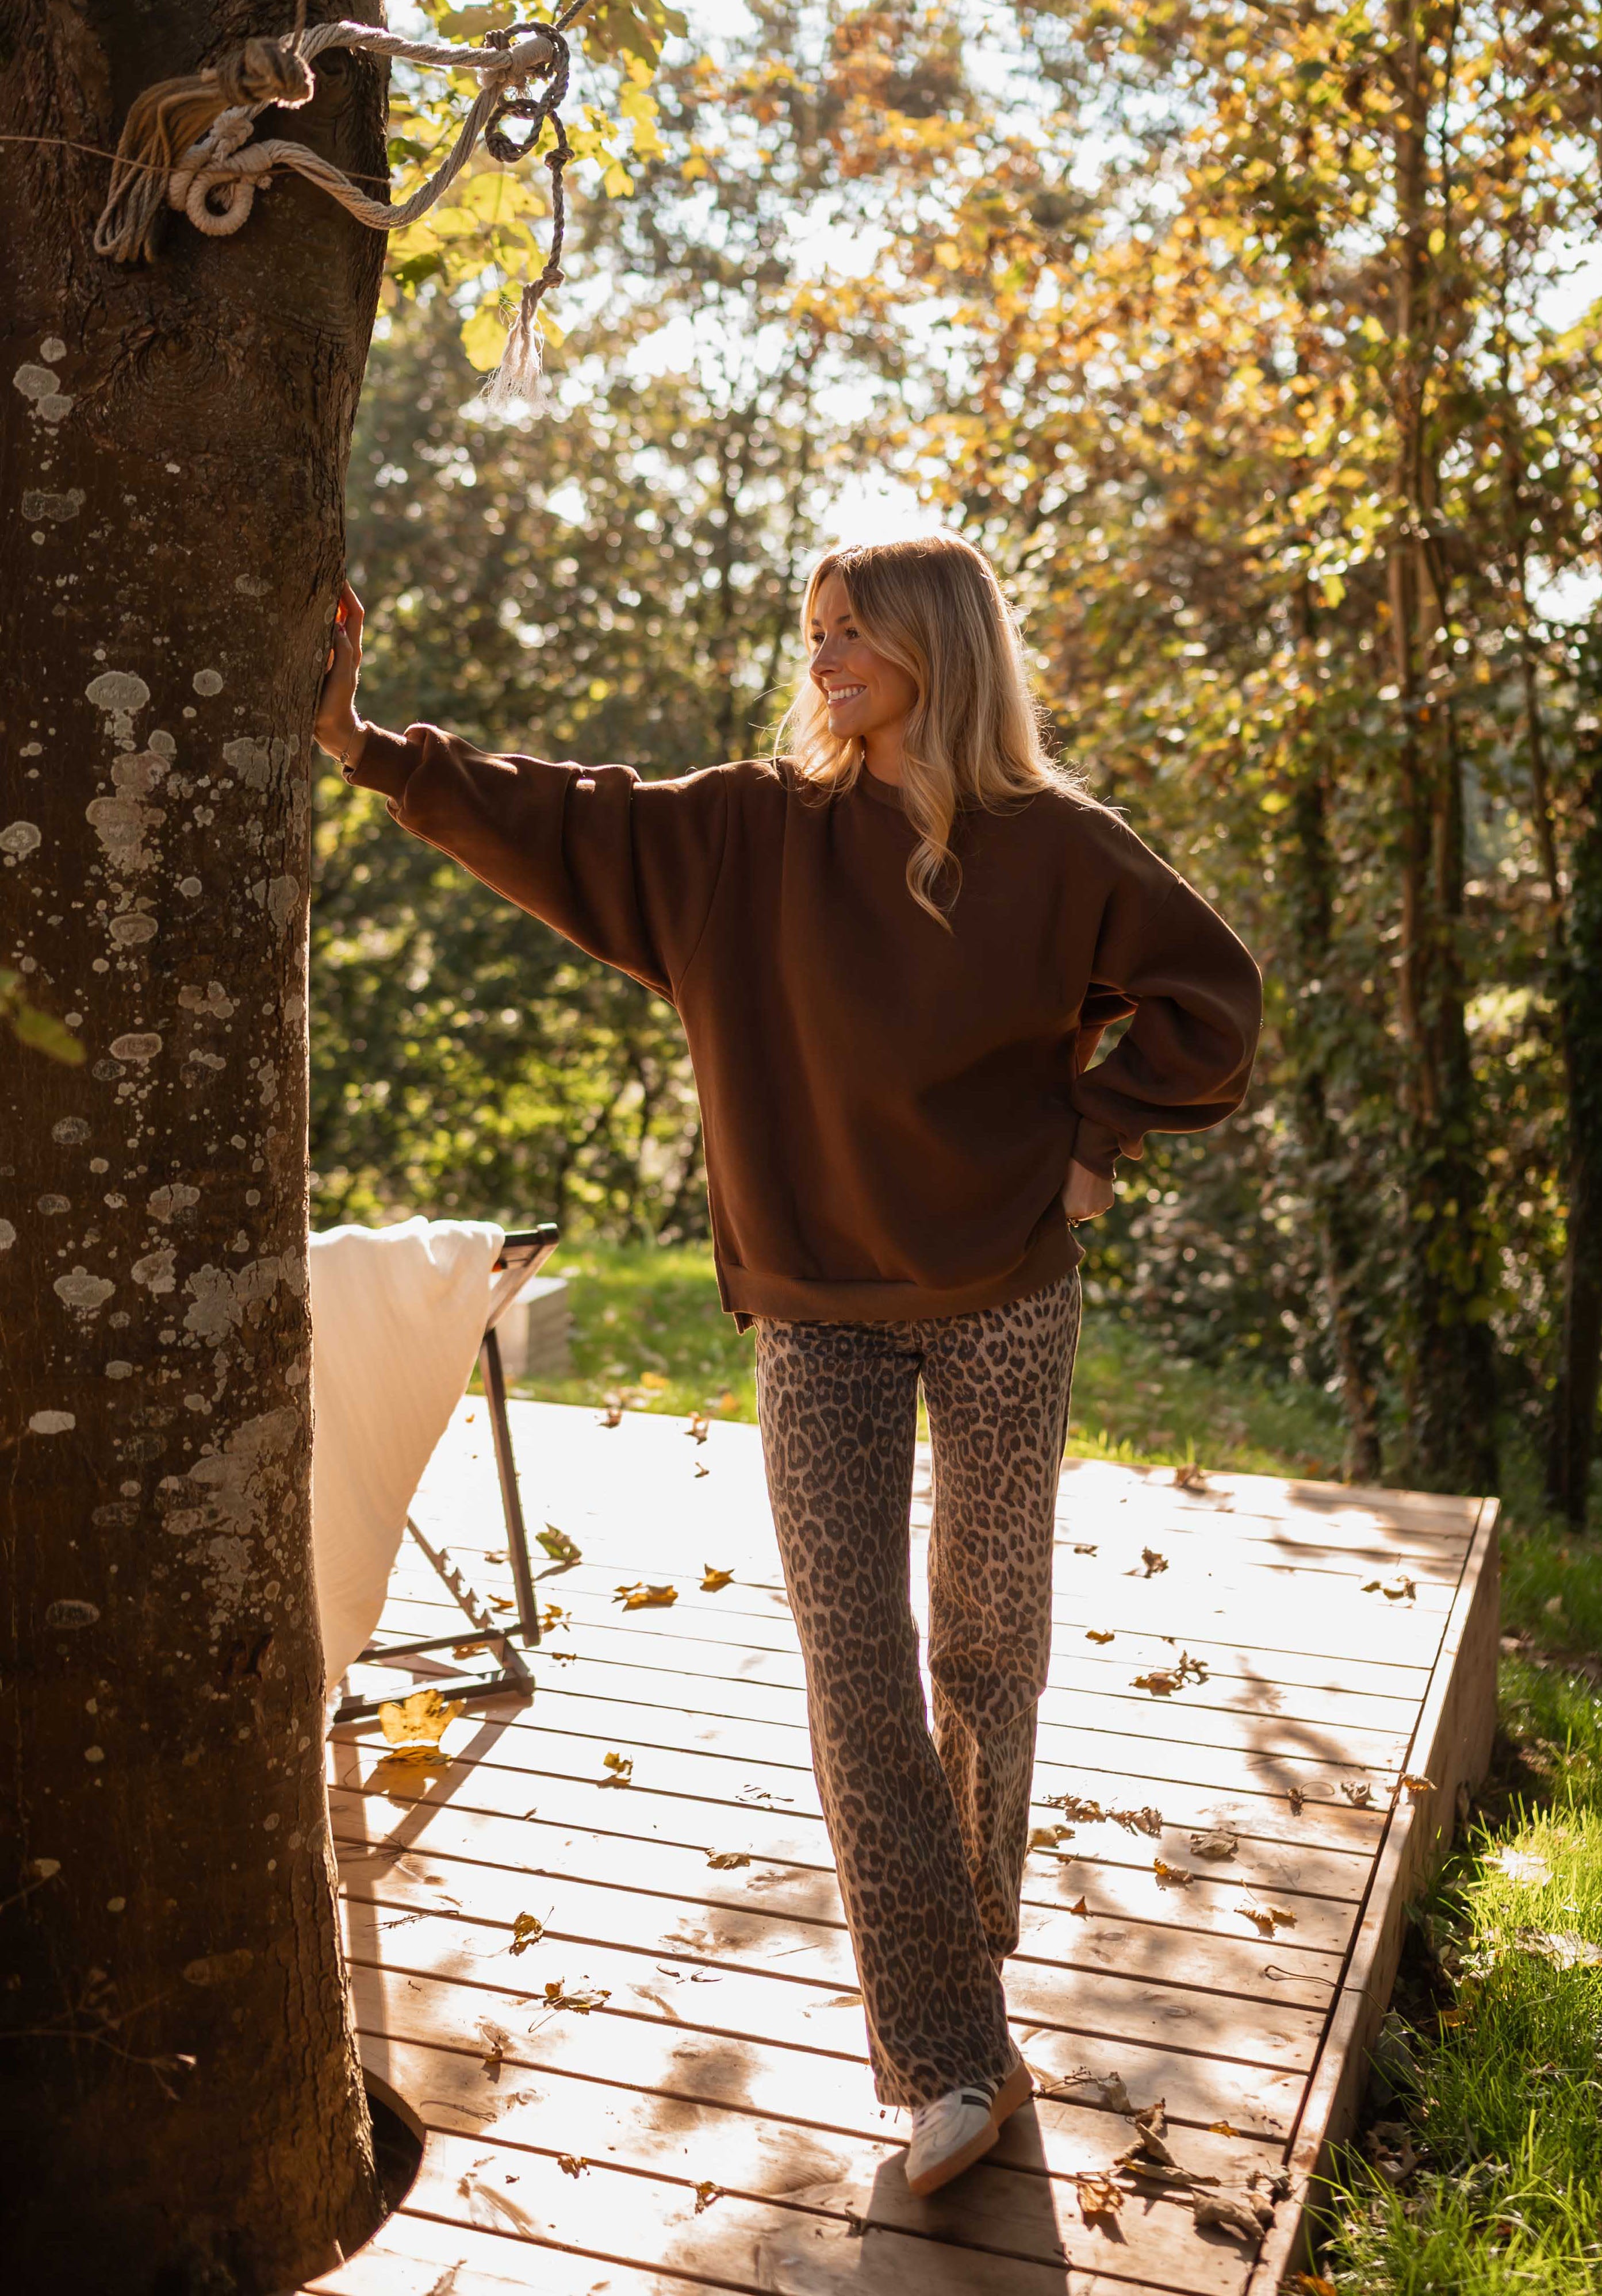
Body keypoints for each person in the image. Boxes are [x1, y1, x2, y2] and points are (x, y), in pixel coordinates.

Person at [314, 532, 1261, 2197]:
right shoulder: (753, 830)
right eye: (814, 632)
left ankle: (960, 1942)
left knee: (988, 1640)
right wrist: (364, 746)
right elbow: (570, 815)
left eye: (852, 635)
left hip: (1001, 1288)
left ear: (937, 651)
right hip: (815, 1303)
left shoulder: (1055, 846)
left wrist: (1098, 1132)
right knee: (851, 1654)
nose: (821, 660)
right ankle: (950, 2050)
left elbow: (1213, 999)